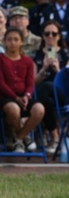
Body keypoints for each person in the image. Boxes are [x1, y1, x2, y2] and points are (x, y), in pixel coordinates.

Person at [0, 27, 44, 152]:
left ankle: (19, 139)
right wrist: (16, 98)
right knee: (14, 109)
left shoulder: (28, 61)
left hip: (24, 97)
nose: (13, 42)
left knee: (39, 109)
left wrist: (27, 96)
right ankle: (25, 138)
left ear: (21, 42)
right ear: (4, 41)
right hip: (6, 98)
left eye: (16, 39)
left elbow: (30, 83)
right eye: (9, 39)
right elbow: (0, 83)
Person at [32, 20, 68, 154]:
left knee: (47, 86)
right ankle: (55, 135)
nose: (50, 36)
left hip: (63, 93)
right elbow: (34, 83)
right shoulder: (37, 55)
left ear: (59, 36)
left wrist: (58, 69)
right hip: (43, 95)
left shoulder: (66, 54)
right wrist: (44, 69)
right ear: (42, 35)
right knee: (46, 100)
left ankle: (33, 121)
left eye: (54, 33)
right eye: (47, 33)